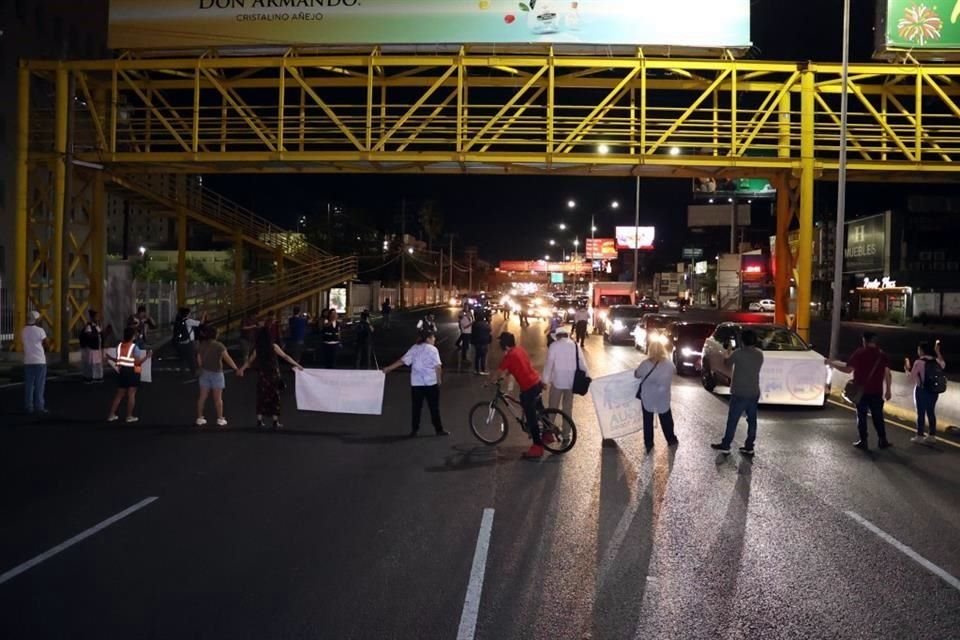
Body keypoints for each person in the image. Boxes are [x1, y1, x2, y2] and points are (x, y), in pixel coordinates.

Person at [830, 332, 893, 451]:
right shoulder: (882, 355)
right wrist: (888, 390)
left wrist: (832, 364)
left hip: (861, 391)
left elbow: (848, 369)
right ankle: (882, 440)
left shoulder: (860, 353)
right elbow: (887, 373)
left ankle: (863, 441)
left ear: (864, 340)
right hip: (877, 391)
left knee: (861, 416)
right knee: (878, 417)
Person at [383, 331, 449, 437]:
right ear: (428, 339)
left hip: (417, 383)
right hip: (430, 383)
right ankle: (439, 429)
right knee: (434, 407)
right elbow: (438, 366)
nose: (434, 339)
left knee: (416, 407)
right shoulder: (433, 349)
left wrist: (389, 368)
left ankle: (414, 430)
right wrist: (439, 380)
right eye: (433, 338)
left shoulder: (414, 348)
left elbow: (402, 361)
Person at [494, 332, 547, 459]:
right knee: (540, 409)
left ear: (504, 344)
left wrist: (488, 381)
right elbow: (515, 367)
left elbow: (498, 372)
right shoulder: (519, 350)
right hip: (536, 382)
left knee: (531, 417)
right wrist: (506, 374)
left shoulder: (510, 356)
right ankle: (548, 433)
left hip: (528, 387)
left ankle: (537, 447)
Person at [711, 329, 764, 455]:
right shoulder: (759, 354)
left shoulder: (738, 353)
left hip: (739, 392)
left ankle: (726, 444)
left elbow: (727, 363)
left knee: (733, 420)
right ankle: (749, 446)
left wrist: (728, 351)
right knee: (752, 420)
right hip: (754, 391)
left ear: (742, 340)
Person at [239, 326, 303, 429]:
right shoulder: (273, 346)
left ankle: (259, 420)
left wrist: (241, 369)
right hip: (273, 375)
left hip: (262, 374)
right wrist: (297, 364)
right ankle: (275, 421)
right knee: (275, 397)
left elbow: (249, 361)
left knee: (261, 397)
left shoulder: (257, 348)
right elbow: (285, 356)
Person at [543, 328, 589, 440]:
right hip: (571, 382)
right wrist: (587, 377)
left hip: (558, 381)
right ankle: (566, 434)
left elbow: (549, 364)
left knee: (552, 407)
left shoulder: (554, 346)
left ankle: (549, 432)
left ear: (558, 336)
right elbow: (582, 363)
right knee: (567, 408)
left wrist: (545, 381)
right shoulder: (575, 345)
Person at [634, 339, 678, 452]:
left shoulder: (645, 364)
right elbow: (675, 371)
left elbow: (637, 374)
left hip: (648, 397)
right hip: (663, 396)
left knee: (647, 420)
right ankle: (671, 439)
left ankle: (649, 443)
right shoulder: (669, 363)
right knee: (666, 418)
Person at [195, 326, 242, 427]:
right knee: (218, 398)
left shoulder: (201, 344)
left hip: (204, 372)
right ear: (215, 335)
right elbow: (227, 358)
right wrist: (236, 368)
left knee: (202, 397)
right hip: (217, 373)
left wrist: (201, 367)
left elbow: (199, 359)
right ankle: (220, 418)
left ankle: (199, 418)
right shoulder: (219, 345)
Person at [105, 326, 152, 423]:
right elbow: (137, 362)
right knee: (131, 394)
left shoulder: (120, 346)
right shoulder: (135, 347)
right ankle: (129, 416)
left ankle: (111, 415)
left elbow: (119, 360)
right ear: (133, 336)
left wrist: (110, 358)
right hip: (133, 372)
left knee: (119, 394)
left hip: (123, 372)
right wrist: (147, 356)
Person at [905, 340, 946, 444]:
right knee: (931, 412)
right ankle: (932, 435)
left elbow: (911, 378)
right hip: (933, 391)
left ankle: (919, 436)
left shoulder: (919, 362)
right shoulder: (936, 361)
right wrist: (938, 352)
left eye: (918, 349)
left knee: (921, 413)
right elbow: (943, 365)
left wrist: (907, 369)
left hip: (922, 391)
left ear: (921, 350)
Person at [21, 311, 49, 415]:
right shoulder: (40, 330)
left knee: (29, 385)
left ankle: (29, 406)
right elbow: (47, 344)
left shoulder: (23, 330)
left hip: (28, 360)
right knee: (40, 385)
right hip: (39, 360)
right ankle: (39, 406)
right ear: (37, 320)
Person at [173, 307, 203, 377]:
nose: (190, 314)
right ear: (187, 314)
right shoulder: (188, 321)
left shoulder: (178, 321)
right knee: (191, 358)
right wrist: (204, 315)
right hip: (188, 343)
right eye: (189, 313)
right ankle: (194, 372)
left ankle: (182, 372)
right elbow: (201, 323)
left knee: (182, 358)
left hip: (180, 343)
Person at [80, 309, 104, 384]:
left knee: (97, 363)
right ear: (92, 317)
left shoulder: (97, 326)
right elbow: (89, 335)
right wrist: (98, 335)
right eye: (96, 316)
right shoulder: (89, 326)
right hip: (91, 348)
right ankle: (89, 377)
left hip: (97, 347)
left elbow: (101, 334)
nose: (98, 318)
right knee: (91, 363)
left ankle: (97, 377)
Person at [471, 311, 493, 375]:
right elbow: (490, 330)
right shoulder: (485, 324)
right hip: (484, 342)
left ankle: (476, 370)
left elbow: (473, 333)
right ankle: (483, 370)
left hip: (477, 342)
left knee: (477, 357)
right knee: (483, 357)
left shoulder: (475, 324)